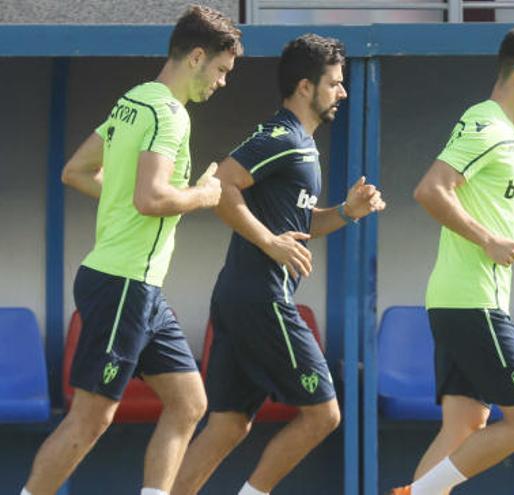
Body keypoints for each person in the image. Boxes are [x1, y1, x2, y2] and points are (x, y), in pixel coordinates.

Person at [21, 6, 242, 495]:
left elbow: (75, 172)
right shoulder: (170, 114)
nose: (223, 83)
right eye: (222, 71)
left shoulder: (133, 101)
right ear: (197, 57)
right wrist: (205, 196)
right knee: (91, 419)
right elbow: (151, 199)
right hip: (124, 283)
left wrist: (132, 196)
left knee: (189, 403)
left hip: (137, 287)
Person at [171, 34, 385, 495]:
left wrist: (347, 212)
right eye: (335, 83)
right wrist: (270, 243)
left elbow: (302, 227)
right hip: (260, 298)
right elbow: (222, 186)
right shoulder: (282, 136)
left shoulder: (302, 145)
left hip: (241, 296)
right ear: (305, 87)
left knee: (228, 426)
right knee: (324, 414)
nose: (343, 93)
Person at [390, 24, 514, 495]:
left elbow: (492, 217)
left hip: (459, 302)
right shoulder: (486, 123)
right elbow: (430, 190)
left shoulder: (510, 133)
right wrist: (487, 241)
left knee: (464, 426)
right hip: (473, 303)